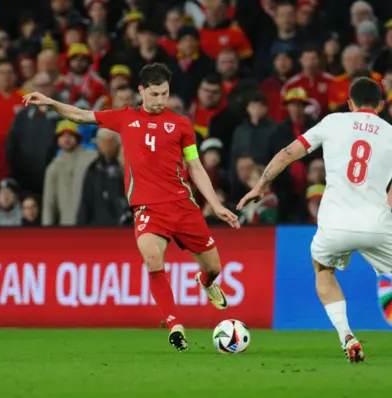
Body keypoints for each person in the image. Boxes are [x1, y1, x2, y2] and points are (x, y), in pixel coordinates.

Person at [238, 77, 392, 365]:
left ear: (350, 104)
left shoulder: (332, 122)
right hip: (377, 224)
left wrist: (260, 185)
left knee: (323, 269)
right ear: (380, 105)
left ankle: (346, 336)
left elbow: (288, 153)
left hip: (334, 223)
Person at [22, 63, 240, 353]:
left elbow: (195, 165)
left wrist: (216, 205)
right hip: (147, 208)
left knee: (213, 268)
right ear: (141, 91)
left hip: (183, 206)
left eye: (165, 93)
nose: (161, 99)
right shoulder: (125, 118)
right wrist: (51, 103)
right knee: (153, 260)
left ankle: (206, 282)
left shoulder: (182, 125)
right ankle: (175, 325)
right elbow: (81, 115)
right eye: (155, 93)